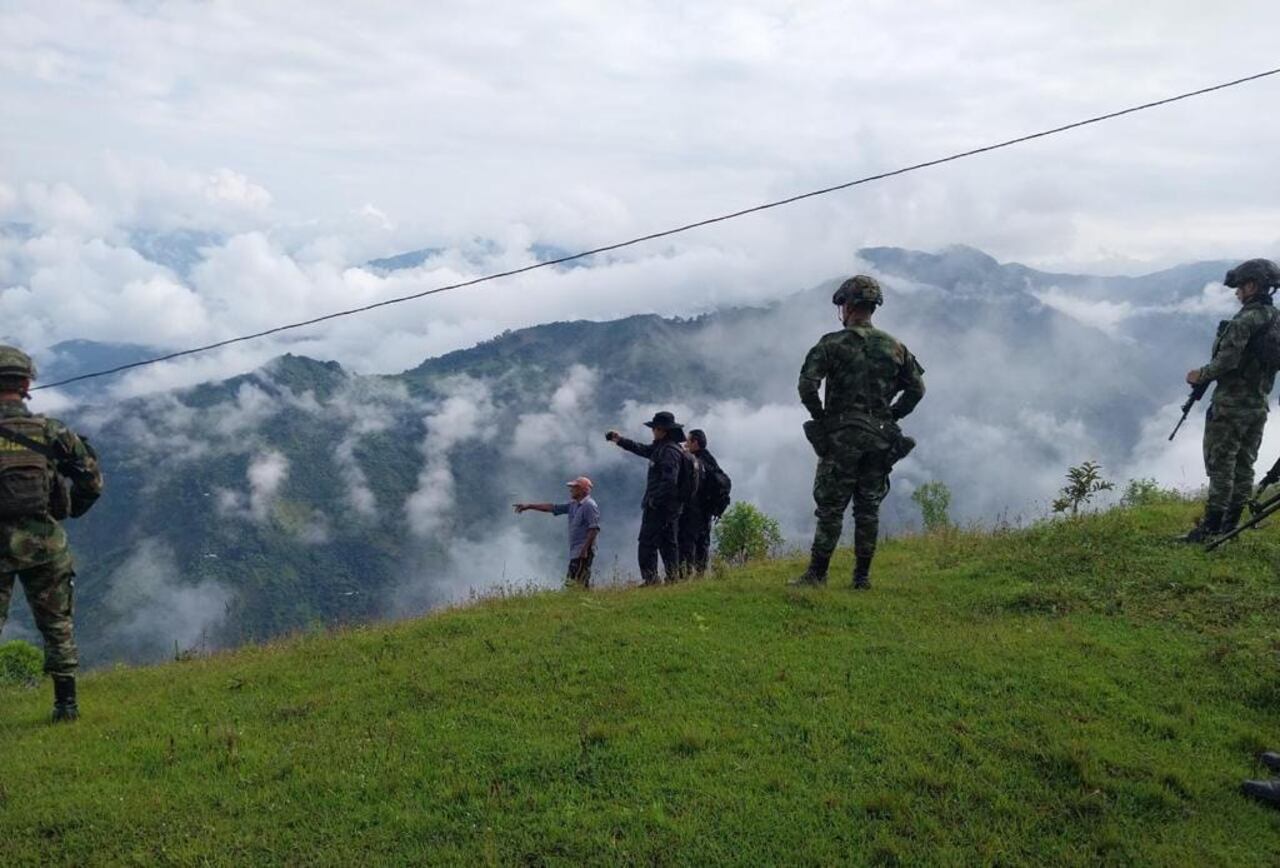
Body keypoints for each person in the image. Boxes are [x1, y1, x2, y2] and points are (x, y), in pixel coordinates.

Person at [791, 275, 925, 590]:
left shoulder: (830, 344)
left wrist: (820, 417)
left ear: (847, 305)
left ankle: (817, 574)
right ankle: (861, 578)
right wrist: (891, 414)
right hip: (880, 438)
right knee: (868, 508)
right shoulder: (896, 347)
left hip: (840, 437)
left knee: (831, 507)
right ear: (872, 308)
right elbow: (917, 389)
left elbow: (807, 385)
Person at [0, 345, 103, 722]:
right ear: (26, 383)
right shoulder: (50, 431)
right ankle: (66, 706)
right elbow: (91, 480)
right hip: (44, 543)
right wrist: (69, 510)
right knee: (57, 624)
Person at [1180, 258, 1280, 542]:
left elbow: (1226, 362)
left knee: (1221, 465)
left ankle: (1210, 529)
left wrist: (1199, 375)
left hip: (1230, 407)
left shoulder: (1244, 321)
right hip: (1259, 405)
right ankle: (1231, 527)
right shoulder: (1277, 319)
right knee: (1245, 464)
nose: (1237, 292)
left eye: (1240, 287)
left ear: (1252, 286)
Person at [607, 411, 686, 585]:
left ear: (663, 430)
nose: (653, 432)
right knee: (667, 543)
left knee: (647, 542)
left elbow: (669, 480)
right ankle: (673, 578)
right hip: (671, 507)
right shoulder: (664, 448)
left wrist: (654, 500)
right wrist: (619, 440)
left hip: (661, 507)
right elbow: (642, 449)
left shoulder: (668, 452)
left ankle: (651, 579)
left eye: (655, 428)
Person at [513, 476, 601, 589]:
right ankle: (583, 603)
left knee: (576, 582)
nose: (571, 490)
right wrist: (529, 506)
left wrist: (584, 550)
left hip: (583, 551)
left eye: (574, 487)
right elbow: (552, 508)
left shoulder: (589, 506)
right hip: (577, 551)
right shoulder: (573, 505)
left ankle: (582, 603)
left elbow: (594, 528)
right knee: (576, 582)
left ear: (582, 490)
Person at [679, 429, 727, 577]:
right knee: (703, 541)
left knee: (687, 540)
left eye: (688, 441)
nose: (686, 444)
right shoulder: (710, 459)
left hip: (694, 508)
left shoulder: (694, 461)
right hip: (708, 508)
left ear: (695, 442)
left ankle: (685, 573)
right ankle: (701, 572)